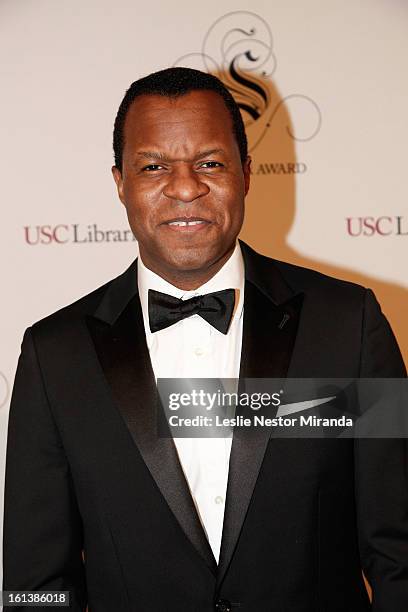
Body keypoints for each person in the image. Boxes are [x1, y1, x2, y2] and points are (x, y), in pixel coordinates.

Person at [3, 67, 407, 612]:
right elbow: (34, 584)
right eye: (153, 167)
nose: (186, 187)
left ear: (245, 172)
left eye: (210, 163)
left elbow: (398, 548)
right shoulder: (55, 356)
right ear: (121, 182)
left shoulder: (347, 325)